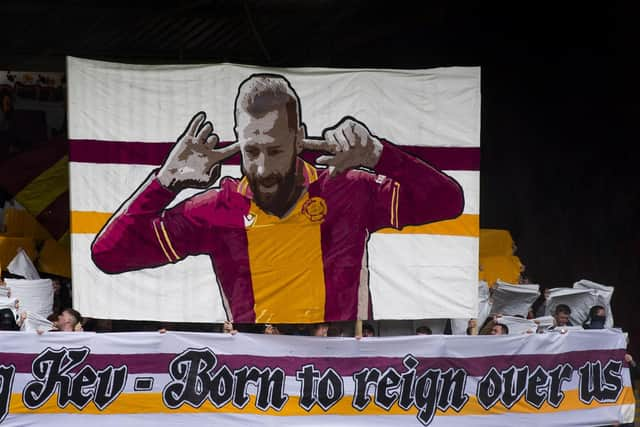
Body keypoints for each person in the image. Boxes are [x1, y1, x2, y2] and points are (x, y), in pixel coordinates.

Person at [91, 73, 464, 324]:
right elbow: (108, 255)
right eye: (252, 151)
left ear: (299, 138)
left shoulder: (348, 189)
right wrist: (165, 182)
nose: (264, 167)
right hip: (260, 391)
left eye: (276, 150)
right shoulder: (215, 210)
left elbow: (448, 202)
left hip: (341, 386)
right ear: (237, 141)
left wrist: (380, 155)